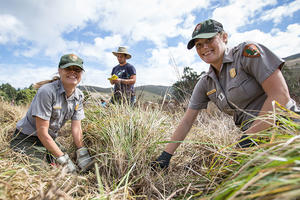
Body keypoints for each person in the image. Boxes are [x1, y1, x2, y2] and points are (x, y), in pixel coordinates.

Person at [152, 19, 300, 169]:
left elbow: (280, 96)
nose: (205, 47)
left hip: (287, 129)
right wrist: (165, 156)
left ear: (224, 37)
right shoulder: (205, 83)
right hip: (257, 143)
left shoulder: (246, 53)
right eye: (199, 45)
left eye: (209, 40)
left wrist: (247, 140)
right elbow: (186, 122)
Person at [10, 54, 93, 173]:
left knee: (70, 158)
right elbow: (42, 132)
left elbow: (77, 128)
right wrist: (63, 160)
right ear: (60, 70)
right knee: (42, 170)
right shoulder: (47, 91)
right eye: (68, 68)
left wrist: (82, 152)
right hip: (27, 139)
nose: (72, 72)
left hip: (49, 140)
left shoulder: (79, 96)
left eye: (77, 70)